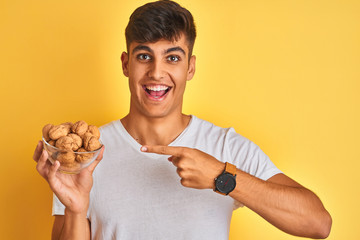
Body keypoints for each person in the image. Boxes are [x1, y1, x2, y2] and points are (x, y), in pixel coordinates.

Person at [33, 0, 332, 239]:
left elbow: (318, 223)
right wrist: (76, 209)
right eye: (144, 56)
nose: (157, 73)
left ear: (190, 68)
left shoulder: (224, 146)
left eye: (172, 58)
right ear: (126, 64)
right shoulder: (86, 155)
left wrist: (222, 178)